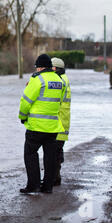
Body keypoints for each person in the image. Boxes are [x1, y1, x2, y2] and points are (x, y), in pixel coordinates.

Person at [18, 54, 66, 194]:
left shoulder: (37, 80)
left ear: (39, 67)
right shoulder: (59, 80)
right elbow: (61, 101)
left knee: (30, 154)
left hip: (36, 126)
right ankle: (48, 187)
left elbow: (25, 102)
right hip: (52, 127)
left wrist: (22, 117)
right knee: (50, 157)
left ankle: (33, 185)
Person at [51, 57, 71, 187]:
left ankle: (54, 178)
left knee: (54, 152)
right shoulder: (64, 80)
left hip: (58, 123)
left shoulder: (59, 82)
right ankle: (55, 177)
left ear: (56, 69)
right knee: (57, 151)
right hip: (63, 122)